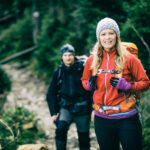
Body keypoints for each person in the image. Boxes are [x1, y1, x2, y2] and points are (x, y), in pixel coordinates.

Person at [81, 17, 150, 150]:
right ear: (99, 37)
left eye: (111, 33)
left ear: (117, 36)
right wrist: (89, 85)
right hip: (102, 119)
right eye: (103, 34)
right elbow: (84, 81)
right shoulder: (91, 61)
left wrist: (129, 86)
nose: (107, 37)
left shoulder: (129, 59)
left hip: (127, 118)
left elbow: (146, 82)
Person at [46, 44, 92, 150]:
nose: (68, 57)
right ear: (62, 57)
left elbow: (92, 90)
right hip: (66, 107)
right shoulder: (59, 72)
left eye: (70, 55)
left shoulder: (83, 69)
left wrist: (94, 109)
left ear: (74, 56)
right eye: (65, 55)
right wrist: (53, 113)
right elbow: (51, 93)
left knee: (84, 137)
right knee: (60, 130)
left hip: (83, 107)